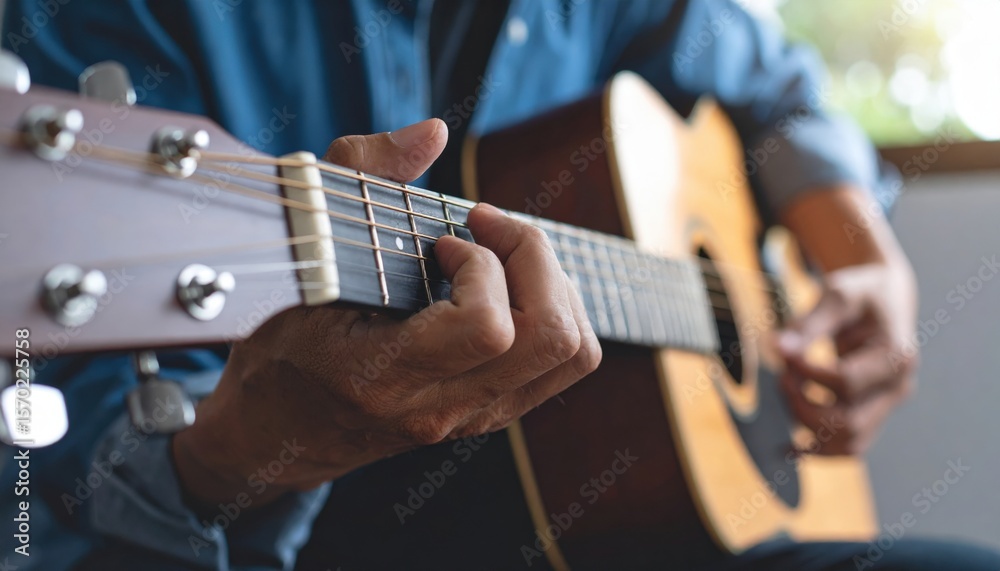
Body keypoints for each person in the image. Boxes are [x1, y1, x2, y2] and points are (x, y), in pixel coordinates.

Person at [1, 0, 998, 569]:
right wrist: (240, 456)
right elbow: (49, 498)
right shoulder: (125, 17)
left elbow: (777, 87)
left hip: (654, 533)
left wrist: (860, 254)